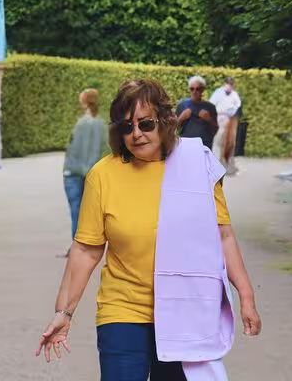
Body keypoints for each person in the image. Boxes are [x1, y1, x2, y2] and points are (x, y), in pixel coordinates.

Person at [37, 79, 261, 380]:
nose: (136, 134)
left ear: (166, 121)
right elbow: (86, 250)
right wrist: (63, 312)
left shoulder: (197, 166)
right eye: (127, 127)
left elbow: (223, 236)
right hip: (122, 312)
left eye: (145, 123)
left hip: (185, 310)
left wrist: (246, 296)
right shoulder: (103, 175)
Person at [60, 88, 107, 257]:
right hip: (91, 173)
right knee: (87, 214)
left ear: (85, 101)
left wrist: (66, 170)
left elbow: (73, 149)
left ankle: (77, 248)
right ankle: (83, 246)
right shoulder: (101, 124)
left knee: (76, 212)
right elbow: (104, 149)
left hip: (74, 172)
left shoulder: (82, 123)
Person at [210, 77, 242, 175]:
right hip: (219, 118)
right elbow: (211, 104)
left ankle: (228, 166)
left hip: (230, 119)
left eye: (231, 85)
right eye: (228, 84)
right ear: (225, 84)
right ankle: (215, 166)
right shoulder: (218, 92)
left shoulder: (234, 94)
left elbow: (238, 105)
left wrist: (231, 113)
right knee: (217, 141)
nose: (230, 87)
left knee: (229, 143)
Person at [175, 75, 218, 149]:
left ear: (202, 90)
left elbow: (216, 128)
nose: (194, 92)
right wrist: (181, 118)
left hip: (204, 145)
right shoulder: (182, 105)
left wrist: (209, 119)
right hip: (186, 144)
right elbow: (174, 128)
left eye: (197, 89)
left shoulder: (210, 107)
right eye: (192, 89)